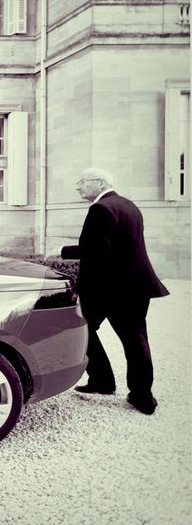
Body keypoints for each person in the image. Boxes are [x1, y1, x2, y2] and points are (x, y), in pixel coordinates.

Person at [58, 167, 168, 415]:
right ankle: (142, 396)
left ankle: (102, 380)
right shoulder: (129, 205)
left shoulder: (100, 209)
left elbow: (96, 251)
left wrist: (64, 253)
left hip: (109, 290)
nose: (78, 187)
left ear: (99, 182)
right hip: (136, 286)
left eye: (82, 181)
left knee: (80, 330)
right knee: (136, 341)